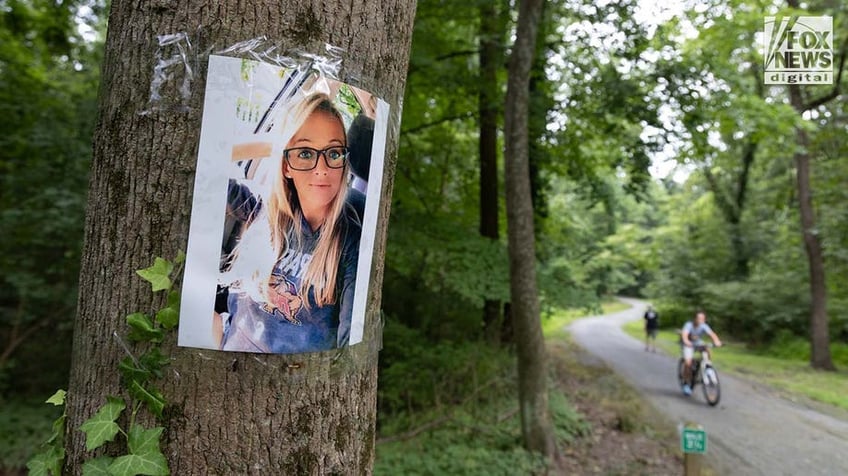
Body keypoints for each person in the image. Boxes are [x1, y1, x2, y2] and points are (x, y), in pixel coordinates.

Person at [216, 92, 362, 354]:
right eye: (306, 153)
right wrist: (274, 146)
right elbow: (208, 161)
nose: (322, 168)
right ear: (285, 165)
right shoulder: (264, 209)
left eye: (334, 152)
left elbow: (349, 346)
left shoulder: (351, 240)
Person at [680, 310, 722, 395]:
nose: (700, 320)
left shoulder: (704, 326)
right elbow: (684, 334)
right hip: (688, 344)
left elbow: (712, 334)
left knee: (707, 348)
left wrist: (717, 341)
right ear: (694, 318)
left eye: (702, 319)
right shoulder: (689, 325)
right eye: (698, 318)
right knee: (688, 363)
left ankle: (708, 367)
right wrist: (686, 341)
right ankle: (685, 383)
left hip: (697, 343)